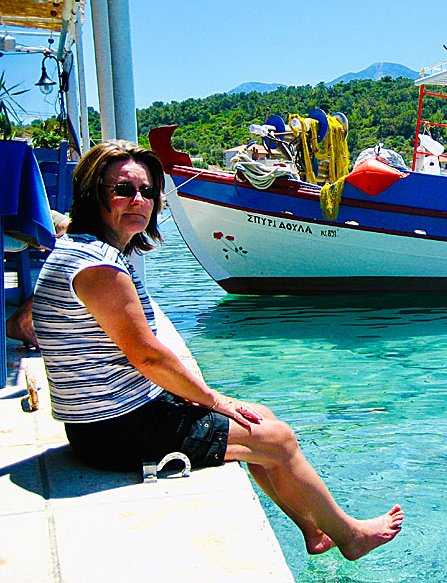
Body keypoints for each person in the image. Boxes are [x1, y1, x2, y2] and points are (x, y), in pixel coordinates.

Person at [31, 140, 403, 561]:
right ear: (92, 195)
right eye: (122, 190)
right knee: (278, 439)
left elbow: (29, 323)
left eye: (148, 191)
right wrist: (214, 400)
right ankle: (350, 536)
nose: (140, 200)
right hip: (114, 430)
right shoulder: (100, 268)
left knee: (261, 418)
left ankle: (312, 531)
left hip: (105, 418)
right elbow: (148, 357)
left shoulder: (77, 250)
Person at [5, 210, 70, 349]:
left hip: (15, 205)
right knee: (80, 238)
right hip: (8, 209)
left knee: (84, 234)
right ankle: (25, 321)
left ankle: (26, 319)